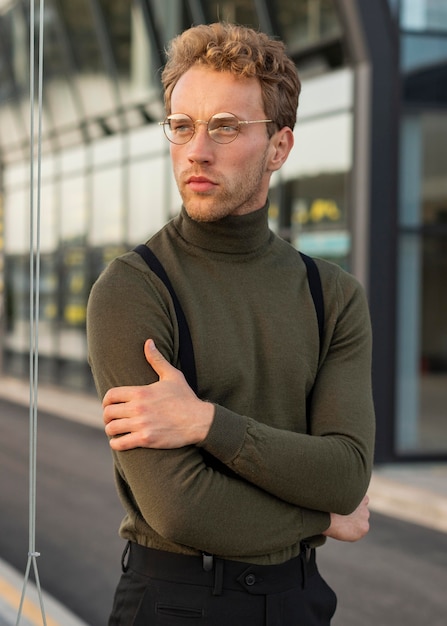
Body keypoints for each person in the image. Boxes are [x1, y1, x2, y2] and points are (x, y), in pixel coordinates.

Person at [87, 22, 375, 626]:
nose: (197, 149)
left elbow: (346, 472)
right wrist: (323, 518)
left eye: (225, 127)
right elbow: (181, 509)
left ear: (280, 147)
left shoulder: (334, 296)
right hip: (175, 603)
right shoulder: (132, 289)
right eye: (182, 125)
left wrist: (206, 423)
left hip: (299, 602)